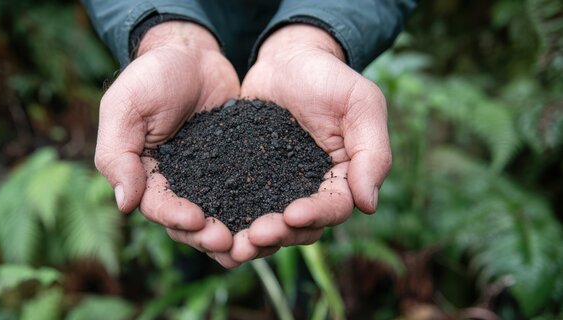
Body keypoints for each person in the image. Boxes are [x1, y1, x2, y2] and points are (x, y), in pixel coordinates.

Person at [81, 0, 416, 268]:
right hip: (183, 85)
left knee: (296, 230)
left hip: (303, 89)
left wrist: (315, 34)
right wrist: (164, 32)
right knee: (190, 237)